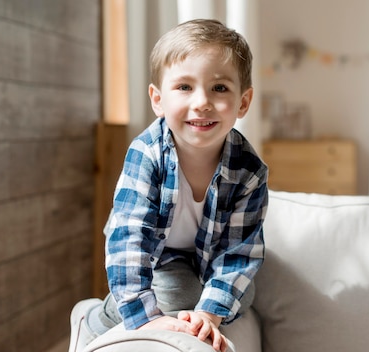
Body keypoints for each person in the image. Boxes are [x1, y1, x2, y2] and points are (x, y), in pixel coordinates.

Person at [68, 19, 269, 352]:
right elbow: (129, 237)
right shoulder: (147, 153)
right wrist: (145, 317)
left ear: (243, 102)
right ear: (158, 100)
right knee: (178, 293)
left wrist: (208, 315)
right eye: (185, 87)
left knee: (244, 293)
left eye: (219, 88)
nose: (202, 102)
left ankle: (195, 303)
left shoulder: (249, 171)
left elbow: (239, 252)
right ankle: (93, 319)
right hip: (151, 251)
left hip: (211, 253)